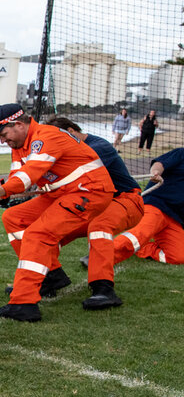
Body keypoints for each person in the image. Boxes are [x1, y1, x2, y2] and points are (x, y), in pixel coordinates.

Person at [0, 103, 114, 322]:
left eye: (3, 134)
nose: (2, 141)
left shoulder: (46, 137)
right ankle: (51, 275)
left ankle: (23, 304)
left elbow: (29, 175)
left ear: (19, 125)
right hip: (63, 194)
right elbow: (18, 175)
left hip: (88, 192)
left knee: (38, 235)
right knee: (13, 218)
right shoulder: (20, 143)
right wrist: (4, 194)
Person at [42, 116, 144, 310]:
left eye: (56, 139)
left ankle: (104, 289)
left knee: (99, 227)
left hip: (126, 200)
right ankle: (49, 277)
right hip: (93, 204)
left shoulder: (99, 147)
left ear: (71, 132)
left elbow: (69, 173)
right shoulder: (73, 149)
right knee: (47, 229)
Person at [110, 148, 184, 266]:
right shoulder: (181, 153)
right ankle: (103, 254)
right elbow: (160, 163)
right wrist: (156, 172)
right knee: (140, 234)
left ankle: (141, 248)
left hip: (176, 218)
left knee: (179, 257)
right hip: (156, 204)